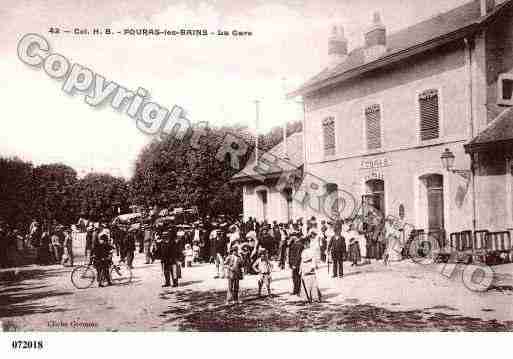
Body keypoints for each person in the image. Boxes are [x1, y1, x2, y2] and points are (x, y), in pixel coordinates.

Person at [299, 237, 322, 303]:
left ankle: (315, 297)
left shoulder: (312, 250)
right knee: (305, 283)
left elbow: (314, 259)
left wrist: (313, 266)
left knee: (312, 283)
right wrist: (300, 269)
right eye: (304, 244)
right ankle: (306, 297)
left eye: (307, 243)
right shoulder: (303, 251)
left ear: (309, 243)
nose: (306, 245)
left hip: (310, 267)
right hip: (304, 267)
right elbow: (302, 261)